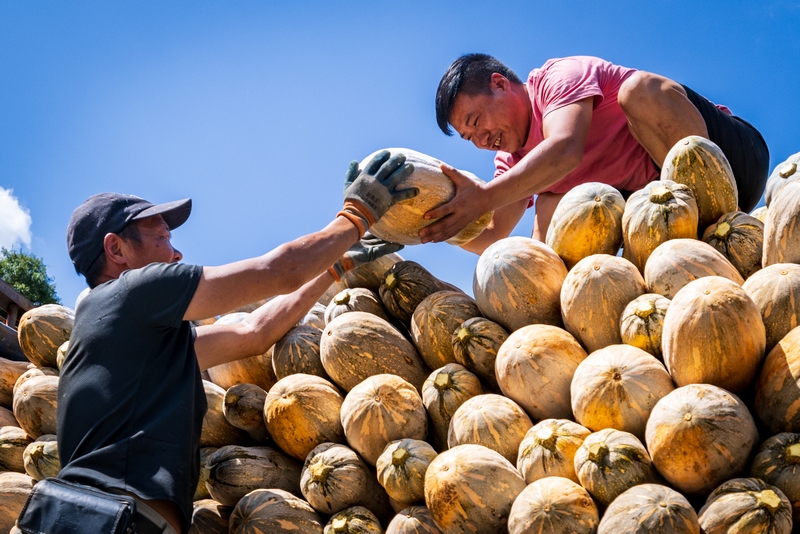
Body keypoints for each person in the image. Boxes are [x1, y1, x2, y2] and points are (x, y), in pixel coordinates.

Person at [53, 151, 415, 534]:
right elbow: (280, 270)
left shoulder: (129, 337)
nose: (176, 253)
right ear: (116, 250)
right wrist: (357, 215)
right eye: (162, 238)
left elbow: (254, 333)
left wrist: (334, 267)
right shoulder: (133, 293)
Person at [422, 54, 769, 252]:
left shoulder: (556, 79)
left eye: (476, 121)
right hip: (666, 213)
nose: (482, 140)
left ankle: (715, 215)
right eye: (470, 138)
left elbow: (565, 149)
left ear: (499, 84)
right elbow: (494, 234)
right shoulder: (511, 161)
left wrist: (481, 197)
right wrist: (433, 223)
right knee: (549, 204)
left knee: (638, 91)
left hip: (733, 162)